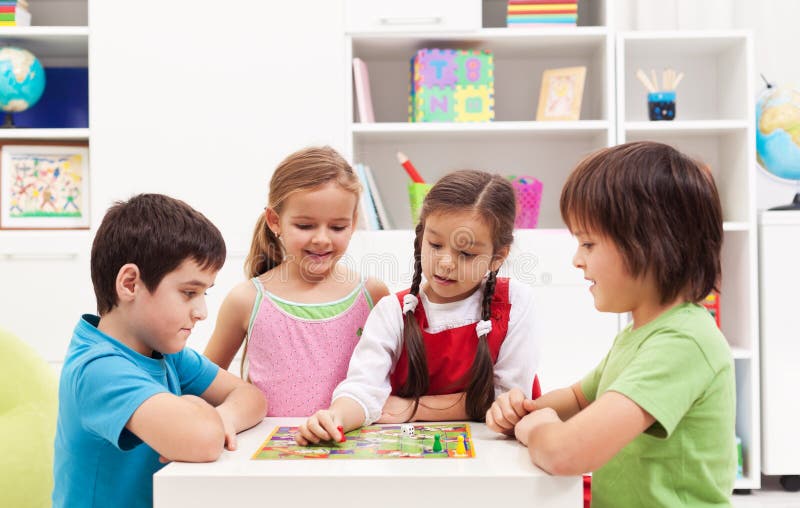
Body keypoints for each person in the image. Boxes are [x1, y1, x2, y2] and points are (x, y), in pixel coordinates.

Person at [486, 141, 736, 507]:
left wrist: (539, 429)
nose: (576, 260)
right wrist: (524, 412)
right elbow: (576, 398)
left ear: (650, 244)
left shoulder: (683, 343)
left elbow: (566, 454)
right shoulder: (640, 336)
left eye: (588, 244)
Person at [53, 194, 267, 508]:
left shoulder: (165, 353)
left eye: (204, 293)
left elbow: (252, 398)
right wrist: (197, 409)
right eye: (189, 292)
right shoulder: (97, 368)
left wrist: (223, 416)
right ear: (129, 284)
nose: (202, 311)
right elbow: (202, 440)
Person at [296, 169, 540, 445]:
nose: (445, 262)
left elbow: (507, 401)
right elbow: (364, 389)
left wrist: (413, 408)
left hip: (496, 455)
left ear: (498, 257)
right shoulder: (392, 311)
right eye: (435, 244)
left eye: (466, 253)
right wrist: (334, 418)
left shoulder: (514, 302)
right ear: (421, 236)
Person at [204, 146, 389, 416]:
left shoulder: (372, 294)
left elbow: (392, 379)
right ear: (274, 221)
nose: (322, 239)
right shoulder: (247, 300)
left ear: (353, 222)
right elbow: (202, 382)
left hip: (353, 449)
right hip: (268, 453)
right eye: (305, 226)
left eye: (337, 227)